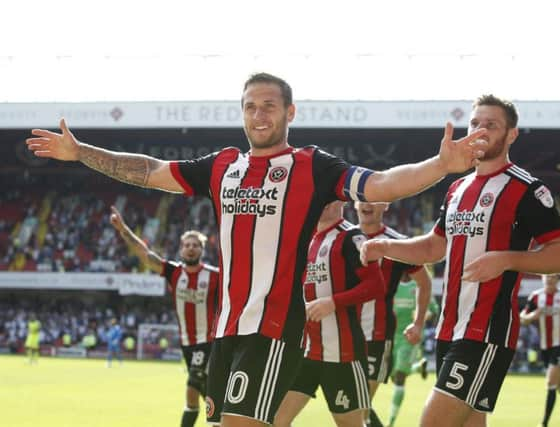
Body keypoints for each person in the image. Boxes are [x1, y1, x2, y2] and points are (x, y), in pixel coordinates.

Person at [27, 72, 487, 427]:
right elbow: (150, 170)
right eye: (250, 106)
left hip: (271, 330)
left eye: (269, 105)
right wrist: (81, 151)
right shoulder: (222, 166)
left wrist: (441, 165)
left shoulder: (312, 166)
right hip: (226, 331)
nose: (258, 114)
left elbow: (380, 183)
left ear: (290, 112)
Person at [360, 95, 560, 427]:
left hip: (485, 332)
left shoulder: (526, 190)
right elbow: (433, 248)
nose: (480, 130)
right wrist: (386, 245)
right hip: (448, 330)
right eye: (474, 123)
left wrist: (506, 259)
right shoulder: (457, 188)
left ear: (511, 134)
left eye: (491, 124)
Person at [274, 201, 385, 427]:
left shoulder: (351, 237)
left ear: (341, 201)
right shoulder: (309, 240)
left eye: (329, 197)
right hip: (305, 352)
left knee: (350, 423)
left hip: (341, 353)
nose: (322, 202)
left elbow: (376, 285)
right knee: (276, 419)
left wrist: (334, 302)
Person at [110, 206, 219, 427]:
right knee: (204, 395)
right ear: (180, 250)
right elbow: (144, 254)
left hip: (209, 342)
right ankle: (218, 421)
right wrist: (123, 230)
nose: (190, 249)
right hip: (187, 344)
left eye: (195, 245)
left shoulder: (215, 276)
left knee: (193, 385)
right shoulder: (173, 272)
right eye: (187, 245)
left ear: (202, 250)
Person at [354, 201, 433, 427]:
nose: (367, 203)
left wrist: (418, 323)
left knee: (359, 407)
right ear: (355, 203)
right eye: (363, 198)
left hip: (378, 334)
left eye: (375, 198)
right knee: (353, 407)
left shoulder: (398, 243)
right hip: (341, 331)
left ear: (385, 205)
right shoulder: (341, 237)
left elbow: (425, 283)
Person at [388, 272, 439, 427]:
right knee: (391, 375)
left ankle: (391, 422)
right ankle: (418, 367)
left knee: (399, 376)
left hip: (410, 337)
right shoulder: (392, 285)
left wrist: (422, 316)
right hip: (392, 336)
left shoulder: (420, 285)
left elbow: (434, 309)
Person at [521, 273, 560, 427]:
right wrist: (533, 315)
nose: (549, 279)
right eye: (547, 276)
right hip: (544, 347)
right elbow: (523, 318)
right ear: (542, 278)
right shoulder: (535, 296)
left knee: (550, 382)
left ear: (558, 279)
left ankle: (544, 423)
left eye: (553, 277)